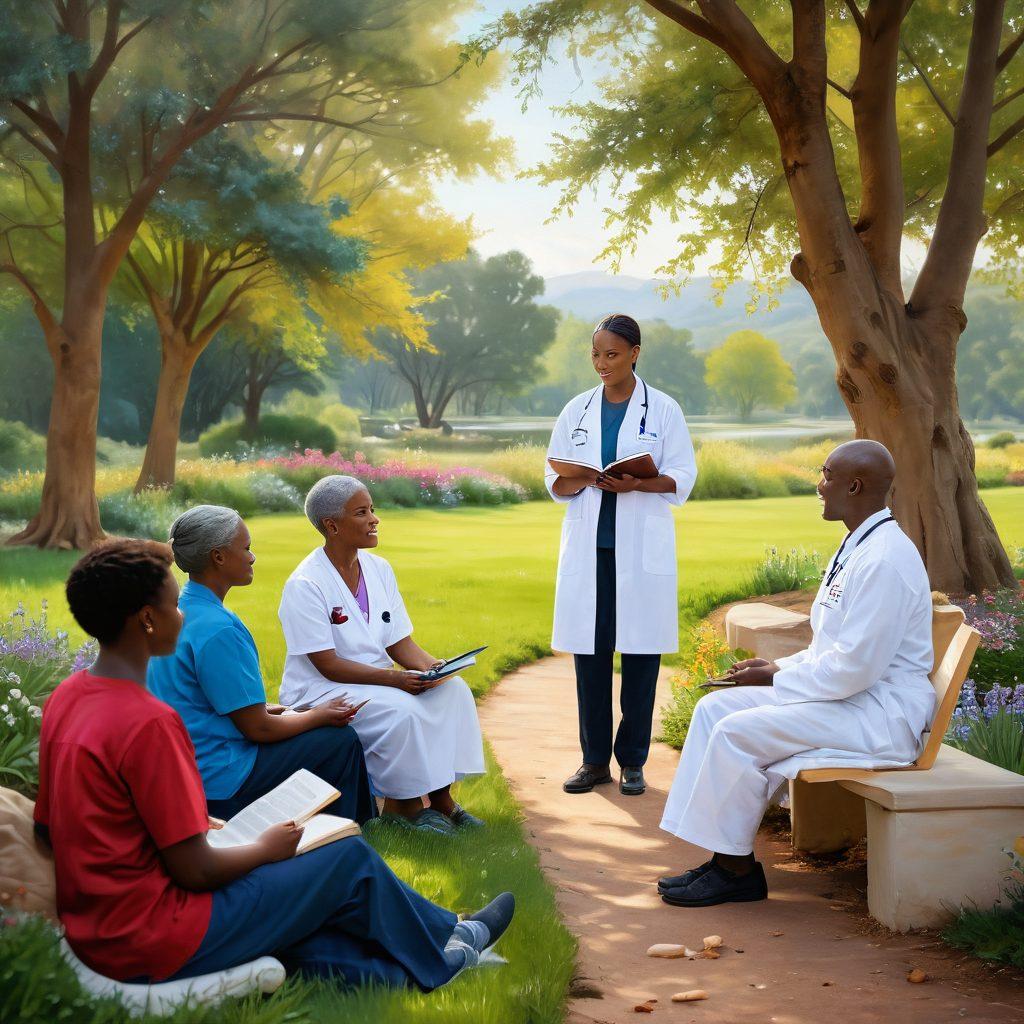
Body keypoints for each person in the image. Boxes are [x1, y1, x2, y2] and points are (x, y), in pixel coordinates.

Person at [34, 539, 514, 988]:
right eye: (175, 605)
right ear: (146, 620)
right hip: (159, 929)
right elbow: (197, 872)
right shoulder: (150, 723)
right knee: (344, 858)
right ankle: (447, 943)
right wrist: (265, 848)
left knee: (307, 912)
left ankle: (444, 951)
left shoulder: (67, 697)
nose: (182, 615)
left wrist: (191, 825)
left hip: (100, 930)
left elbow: (50, 827)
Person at [658, 440, 936, 908]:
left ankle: (736, 873)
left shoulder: (885, 559)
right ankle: (725, 856)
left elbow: (854, 669)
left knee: (735, 733)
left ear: (854, 486)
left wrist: (774, 680)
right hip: (852, 698)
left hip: (880, 715)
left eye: (826, 475)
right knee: (714, 710)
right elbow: (832, 650)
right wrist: (775, 667)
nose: (819, 485)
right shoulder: (859, 543)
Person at [278, 476, 486, 834]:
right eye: (362, 512)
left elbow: (399, 642)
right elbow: (326, 664)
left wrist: (434, 668)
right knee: (402, 712)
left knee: (453, 692)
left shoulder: (379, 569)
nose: (375, 519)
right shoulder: (305, 584)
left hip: (376, 682)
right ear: (332, 525)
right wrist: (395, 679)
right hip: (320, 689)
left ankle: (442, 801)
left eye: (372, 509)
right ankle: (402, 808)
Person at [546, 313, 697, 797]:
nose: (602, 363)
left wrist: (637, 485)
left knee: (641, 655)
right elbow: (554, 479)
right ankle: (594, 761)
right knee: (590, 657)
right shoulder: (576, 410)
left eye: (611, 354)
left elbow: (682, 475)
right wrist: (586, 478)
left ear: (635, 353)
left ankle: (632, 761)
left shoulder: (664, 410)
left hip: (640, 552)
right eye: (596, 354)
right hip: (590, 551)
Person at [148, 505, 376, 824]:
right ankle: (345, 831)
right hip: (219, 781)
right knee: (340, 740)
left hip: (184, 768)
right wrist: (318, 715)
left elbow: (195, 699)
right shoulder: (219, 629)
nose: (252, 557)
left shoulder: (178, 612)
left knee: (309, 726)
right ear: (218, 556)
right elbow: (259, 729)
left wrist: (269, 708)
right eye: (246, 548)